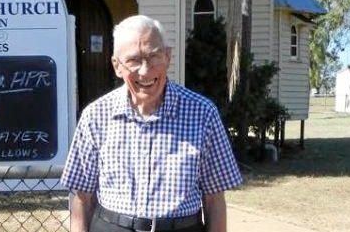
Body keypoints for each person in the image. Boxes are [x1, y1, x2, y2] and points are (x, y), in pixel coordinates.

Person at [61, 15, 242, 232]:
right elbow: (82, 198)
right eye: (133, 60)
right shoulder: (95, 116)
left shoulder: (203, 114)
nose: (145, 71)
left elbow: (214, 201)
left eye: (154, 56)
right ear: (117, 66)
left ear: (167, 56)